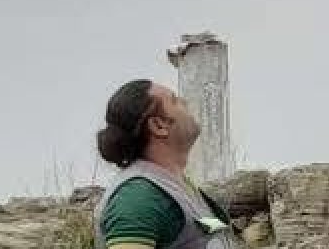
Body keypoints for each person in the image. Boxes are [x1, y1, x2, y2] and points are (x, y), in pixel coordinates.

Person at [93, 79, 239, 249]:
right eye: (174, 100)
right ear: (159, 126)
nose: (184, 102)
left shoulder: (180, 188)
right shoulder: (138, 198)